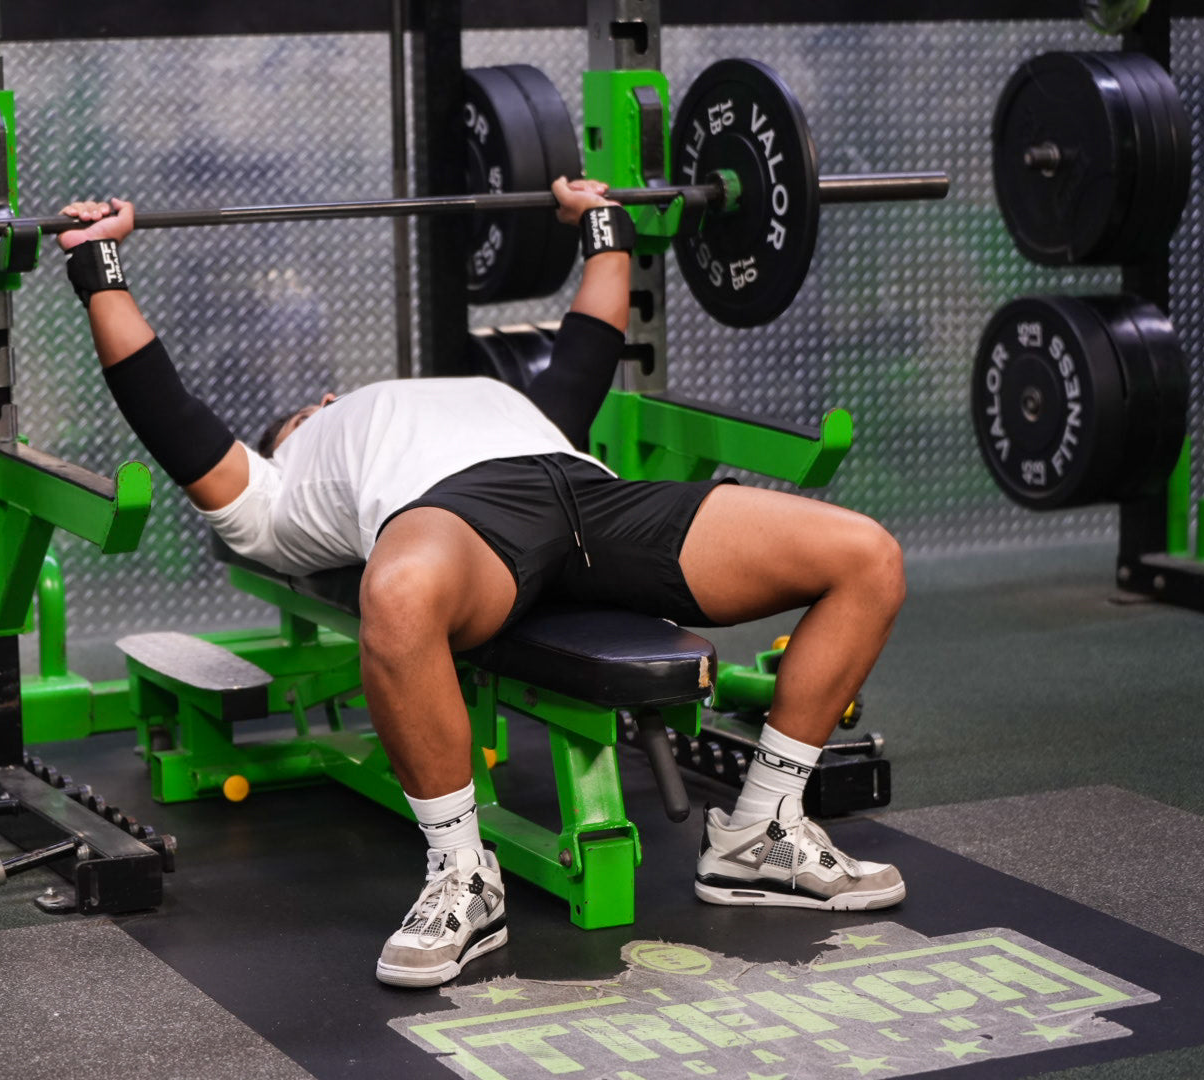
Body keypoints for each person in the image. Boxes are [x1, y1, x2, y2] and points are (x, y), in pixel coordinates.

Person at [56, 179, 907, 989]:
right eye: (303, 411)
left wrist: (597, 223)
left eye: (319, 400)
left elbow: (586, 344)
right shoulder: (276, 485)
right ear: (294, 429)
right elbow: (164, 404)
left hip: (588, 491)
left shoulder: (511, 402)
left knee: (866, 552)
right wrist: (99, 266)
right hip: (459, 520)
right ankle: (464, 877)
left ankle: (760, 832)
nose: (320, 399)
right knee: (394, 595)